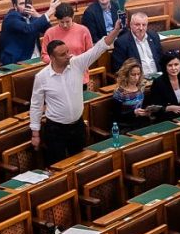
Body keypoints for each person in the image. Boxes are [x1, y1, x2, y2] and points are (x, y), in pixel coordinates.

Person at [30, 22, 122, 163]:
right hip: (55, 130)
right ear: (52, 58)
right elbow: (36, 106)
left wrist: (116, 30)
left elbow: (99, 48)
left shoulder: (77, 64)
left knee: (80, 163)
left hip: (77, 126)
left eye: (67, 51)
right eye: (63, 54)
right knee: (58, 166)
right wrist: (35, 134)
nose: (68, 56)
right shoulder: (42, 77)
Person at [0, 0, 59, 65]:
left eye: (27, 2)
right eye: (21, 4)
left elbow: (49, 31)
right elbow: (28, 29)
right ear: (15, 6)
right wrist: (49, 12)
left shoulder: (32, 16)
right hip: (17, 61)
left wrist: (37, 15)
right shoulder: (11, 18)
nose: (25, 6)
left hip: (38, 58)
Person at [40, 1, 94, 83]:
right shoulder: (50, 33)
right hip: (57, 78)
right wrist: (59, 61)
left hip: (79, 76)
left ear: (73, 17)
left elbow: (91, 54)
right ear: (57, 19)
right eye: (62, 22)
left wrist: (76, 60)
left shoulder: (83, 30)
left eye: (68, 21)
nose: (65, 25)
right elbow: (44, 55)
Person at [146, 50, 180, 121]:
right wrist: (168, 108)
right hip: (167, 117)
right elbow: (154, 108)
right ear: (164, 67)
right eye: (170, 65)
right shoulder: (158, 82)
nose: (173, 68)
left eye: (176, 64)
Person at [112, 58, 150, 132]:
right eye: (133, 75)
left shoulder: (141, 88)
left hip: (140, 124)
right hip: (126, 127)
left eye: (138, 74)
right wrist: (134, 113)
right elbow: (117, 117)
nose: (136, 78)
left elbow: (142, 107)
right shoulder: (120, 93)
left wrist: (147, 111)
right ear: (126, 75)